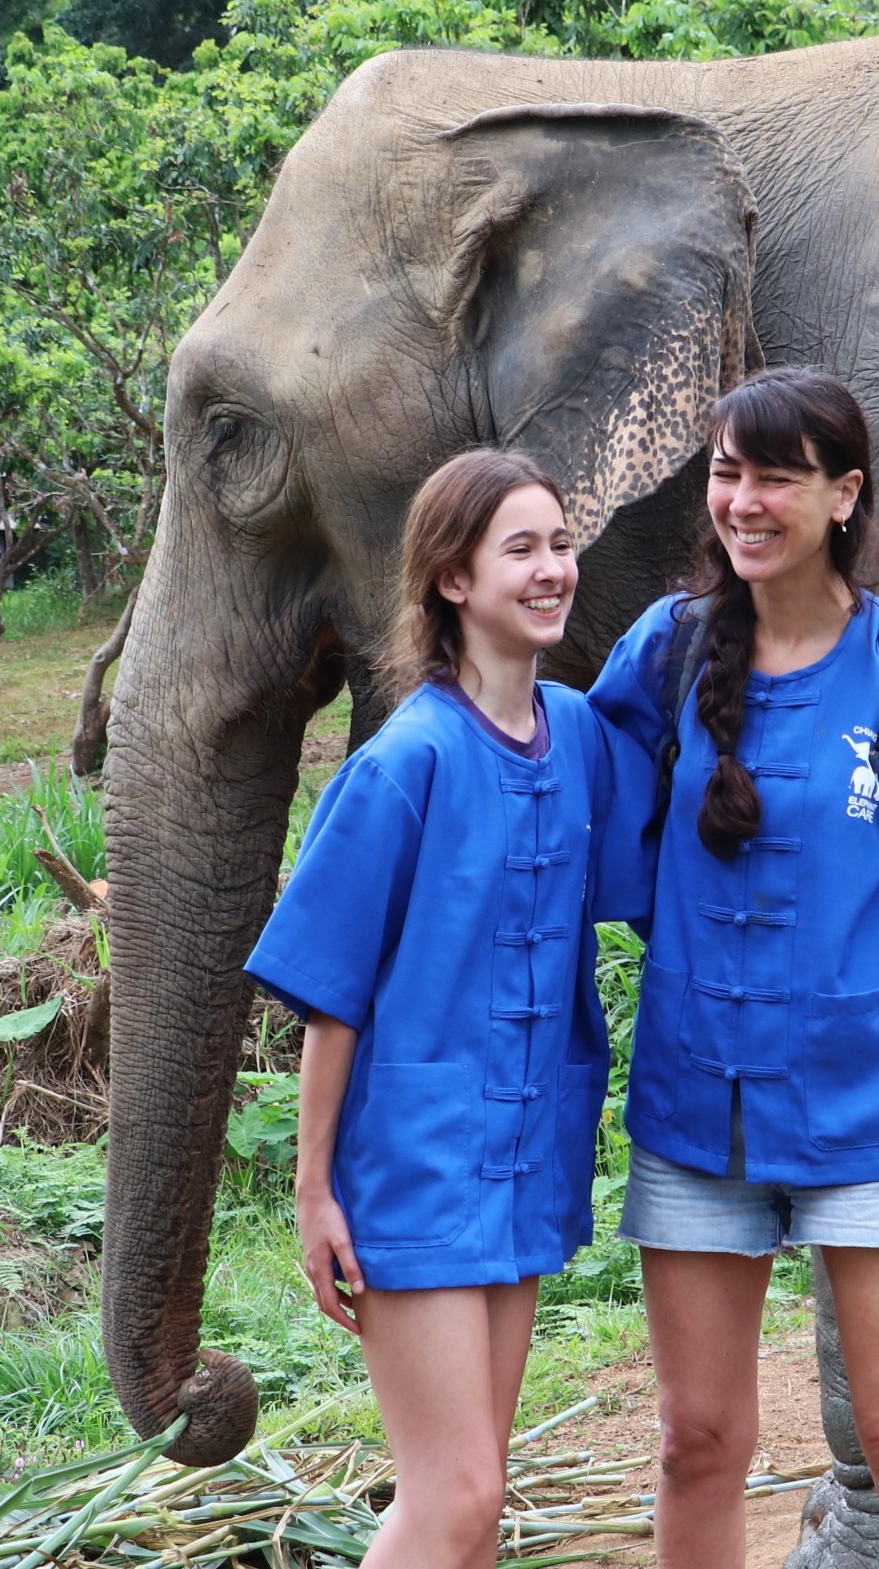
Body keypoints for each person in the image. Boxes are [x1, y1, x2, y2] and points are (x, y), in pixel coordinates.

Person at [589, 366, 879, 1569]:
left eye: (775, 477)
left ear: (843, 495)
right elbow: (567, 804)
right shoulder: (667, 652)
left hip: (877, 1112)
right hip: (697, 1105)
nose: (742, 501)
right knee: (697, 1437)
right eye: (726, 472)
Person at [243, 449, 644, 1569]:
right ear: (452, 581)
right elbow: (331, 999)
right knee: (454, 1497)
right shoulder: (403, 761)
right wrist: (314, 1191)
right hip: (413, 1169)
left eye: (560, 543)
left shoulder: (581, 741)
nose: (552, 567)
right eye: (520, 548)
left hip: (524, 1156)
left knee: (479, 1494)